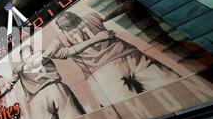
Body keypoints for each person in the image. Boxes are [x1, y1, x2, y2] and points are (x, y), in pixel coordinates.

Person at [46, 10, 180, 106]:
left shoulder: (60, 38)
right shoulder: (91, 16)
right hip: (130, 57)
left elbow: (48, 55)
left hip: (101, 73)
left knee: (128, 110)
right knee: (176, 89)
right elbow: (117, 9)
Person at [6, 44, 86, 119]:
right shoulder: (43, 53)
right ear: (31, 51)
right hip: (56, 88)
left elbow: (8, 85)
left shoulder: (18, 68)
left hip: (37, 98)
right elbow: (65, 52)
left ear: (22, 57)